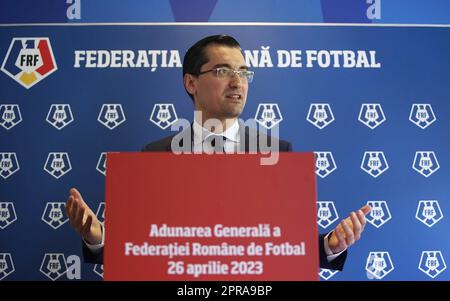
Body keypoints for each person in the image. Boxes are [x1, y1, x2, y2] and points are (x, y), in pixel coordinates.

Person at [66, 35, 371, 271]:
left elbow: (287, 247)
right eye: (223, 71)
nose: (238, 82)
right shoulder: (156, 156)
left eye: (243, 72)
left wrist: (331, 245)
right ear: (191, 82)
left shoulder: (278, 152)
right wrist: (97, 240)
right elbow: (140, 249)